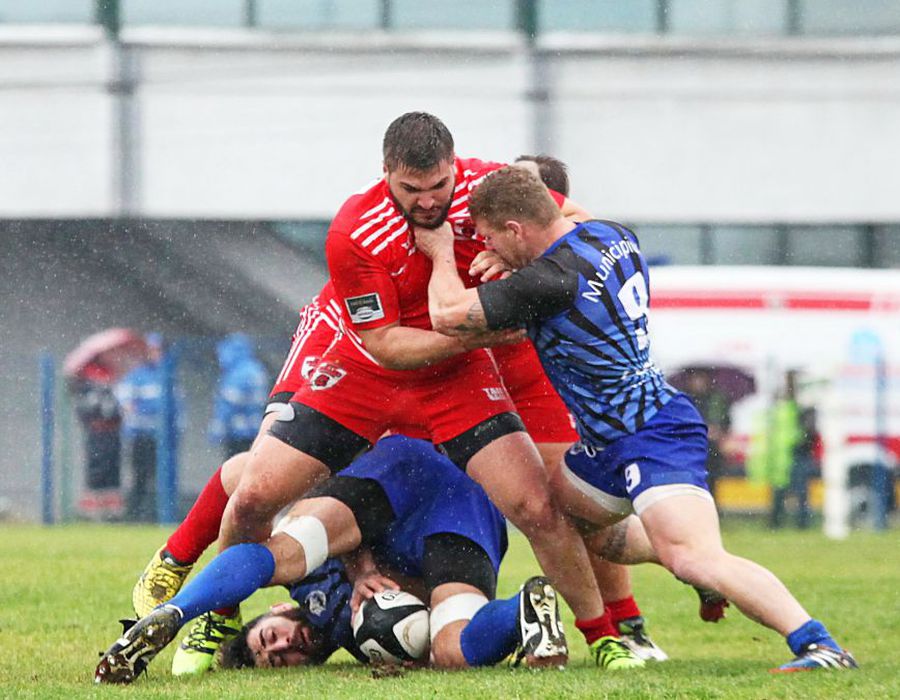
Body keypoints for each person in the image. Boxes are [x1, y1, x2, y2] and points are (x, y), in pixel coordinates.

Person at [209, 112, 642, 670]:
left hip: (456, 381)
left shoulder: (484, 188)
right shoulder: (353, 231)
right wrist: (471, 334)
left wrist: (516, 257)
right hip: (368, 376)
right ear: (386, 170)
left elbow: (567, 224)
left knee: (538, 505)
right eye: (412, 190)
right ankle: (213, 624)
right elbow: (386, 344)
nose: (429, 202)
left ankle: (604, 636)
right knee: (251, 496)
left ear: (454, 165)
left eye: (439, 185)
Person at [413, 165, 857, 673]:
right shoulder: (610, 234)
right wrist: (511, 262)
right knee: (575, 522)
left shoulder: (548, 280)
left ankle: (820, 646)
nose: (486, 248)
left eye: (492, 238)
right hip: (606, 447)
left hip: (653, 433)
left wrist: (442, 251)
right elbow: (566, 239)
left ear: (516, 229)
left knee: (694, 553)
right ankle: (686, 577)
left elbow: (447, 314)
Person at [95, 435, 565, 683]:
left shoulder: (302, 587)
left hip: (402, 473)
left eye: (269, 639)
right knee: (451, 651)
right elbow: (421, 609)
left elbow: (290, 493)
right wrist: (408, 616)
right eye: (279, 661)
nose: (282, 647)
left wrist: (361, 568)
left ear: (276, 610)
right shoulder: (364, 642)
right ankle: (524, 609)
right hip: (461, 509)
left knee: (283, 554)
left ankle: (174, 613)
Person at [747, 370, 815, 529]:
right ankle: (781, 522)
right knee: (783, 490)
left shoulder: (799, 403)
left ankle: (795, 523)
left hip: (796, 452)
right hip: (784, 453)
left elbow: (808, 428)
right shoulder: (786, 402)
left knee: (797, 491)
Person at [115, 333, 171, 522]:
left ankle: (153, 514)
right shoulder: (138, 376)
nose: (154, 354)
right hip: (140, 434)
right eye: (151, 350)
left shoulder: (167, 375)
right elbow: (124, 400)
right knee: (140, 475)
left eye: (157, 350)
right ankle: (136, 514)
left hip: (161, 436)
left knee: (159, 476)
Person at [69, 361, 123, 521]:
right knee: (96, 471)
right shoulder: (87, 393)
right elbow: (84, 414)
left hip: (112, 434)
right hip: (96, 434)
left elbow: (117, 413)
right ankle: (94, 512)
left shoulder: (112, 392)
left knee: (112, 470)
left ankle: (112, 512)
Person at [208, 333, 270, 458]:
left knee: (233, 469)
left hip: (237, 431)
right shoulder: (257, 370)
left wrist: (219, 426)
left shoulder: (237, 374)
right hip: (256, 428)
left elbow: (229, 404)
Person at [681, 369, 733, 505]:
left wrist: (719, 431)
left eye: (700, 378)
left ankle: (711, 508)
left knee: (712, 481)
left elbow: (727, 421)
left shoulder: (718, 399)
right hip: (692, 448)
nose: (698, 382)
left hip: (712, 449)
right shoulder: (685, 399)